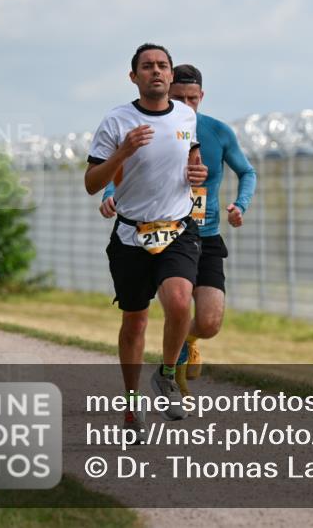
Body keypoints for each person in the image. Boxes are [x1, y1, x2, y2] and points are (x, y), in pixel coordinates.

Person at [100, 63, 257, 396]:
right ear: (168, 92)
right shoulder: (151, 128)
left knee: (211, 322)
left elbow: (248, 172)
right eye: (179, 98)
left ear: (202, 97)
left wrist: (240, 204)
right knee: (171, 303)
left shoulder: (217, 132)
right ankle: (165, 371)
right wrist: (109, 194)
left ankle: (186, 341)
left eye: (193, 99)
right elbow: (128, 174)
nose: (186, 106)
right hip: (167, 232)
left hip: (208, 234)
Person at [85, 43, 208, 427]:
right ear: (134, 76)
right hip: (131, 235)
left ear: (171, 76)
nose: (156, 71)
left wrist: (197, 174)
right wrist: (122, 153)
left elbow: (192, 161)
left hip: (177, 228)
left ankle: (167, 375)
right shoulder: (116, 121)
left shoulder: (186, 116)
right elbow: (91, 183)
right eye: (147, 66)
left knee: (178, 301)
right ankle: (132, 401)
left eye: (162, 66)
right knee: (135, 322)